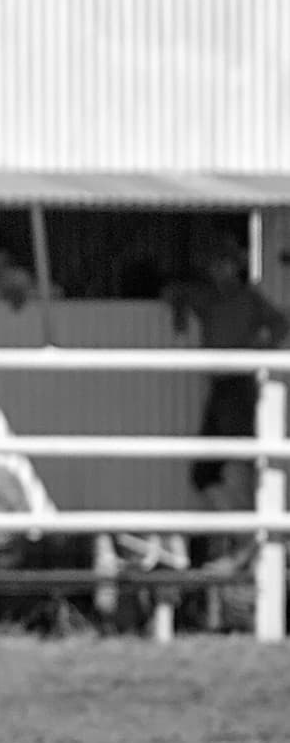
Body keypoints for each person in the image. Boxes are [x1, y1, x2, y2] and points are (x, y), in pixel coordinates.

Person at [167, 237, 286, 558]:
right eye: (215, 263)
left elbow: (279, 324)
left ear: (237, 266)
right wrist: (178, 317)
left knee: (237, 463)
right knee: (209, 471)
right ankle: (245, 536)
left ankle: (252, 540)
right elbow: (176, 294)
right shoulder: (208, 298)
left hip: (239, 386)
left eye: (226, 263)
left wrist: (257, 350)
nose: (220, 270)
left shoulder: (248, 299)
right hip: (221, 386)